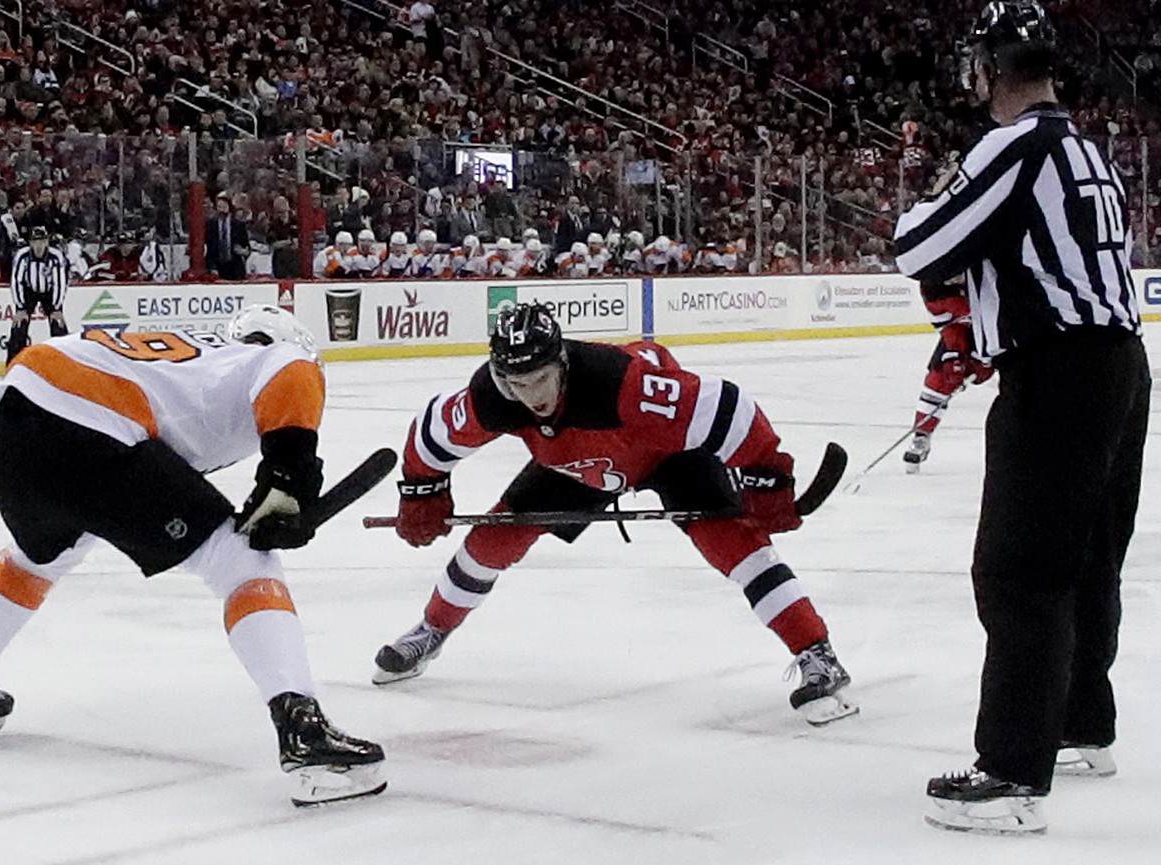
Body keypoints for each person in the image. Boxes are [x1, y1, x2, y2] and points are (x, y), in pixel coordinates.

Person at [0, 305, 386, 806]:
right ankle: (303, 729)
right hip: (93, 425)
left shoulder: (190, 360)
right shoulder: (268, 355)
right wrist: (288, 478)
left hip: (16, 423)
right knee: (241, 562)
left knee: (43, 554)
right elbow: (290, 368)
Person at [894, 1, 1147, 835]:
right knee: (1086, 557)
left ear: (988, 68)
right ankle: (1083, 724)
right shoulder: (1084, 145)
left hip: (1057, 372)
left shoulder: (1016, 143)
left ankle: (1010, 772)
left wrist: (925, 200)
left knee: (1019, 569)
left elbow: (922, 248)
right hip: (1120, 366)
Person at [373, 302, 857, 727]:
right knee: (490, 541)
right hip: (573, 462)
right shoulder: (492, 397)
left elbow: (726, 408)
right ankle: (432, 629)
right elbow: (433, 435)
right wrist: (423, 490)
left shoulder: (620, 384)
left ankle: (817, 653)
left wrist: (766, 475)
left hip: (665, 451)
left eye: (541, 378)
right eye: (518, 383)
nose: (532, 395)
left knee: (734, 544)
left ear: (561, 361)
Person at [900, 274, 992, 471]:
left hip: (1012, 328)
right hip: (969, 330)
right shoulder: (932, 286)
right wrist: (954, 354)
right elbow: (949, 325)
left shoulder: (988, 269)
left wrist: (985, 357)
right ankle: (922, 436)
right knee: (940, 377)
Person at [6, 225, 69, 364]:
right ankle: (13, 365)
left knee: (59, 326)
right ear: (30, 243)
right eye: (35, 242)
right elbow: (16, 281)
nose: (39, 245)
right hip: (29, 291)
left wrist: (56, 308)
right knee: (18, 326)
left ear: (47, 242)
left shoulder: (55, 256)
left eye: (42, 241)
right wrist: (21, 307)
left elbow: (60, 283)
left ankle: (63, 364)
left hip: (49, 292)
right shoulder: (22, 256)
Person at [205, 193, 249, 281]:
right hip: (218, 268)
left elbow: (247, 247)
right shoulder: (211, 225)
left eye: (224, 206)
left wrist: (242, 251)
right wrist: (211, 267)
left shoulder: (238, 225)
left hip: (235, 268)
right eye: (219, 207)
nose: (221, 210)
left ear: (229, 206)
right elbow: (209, 247)